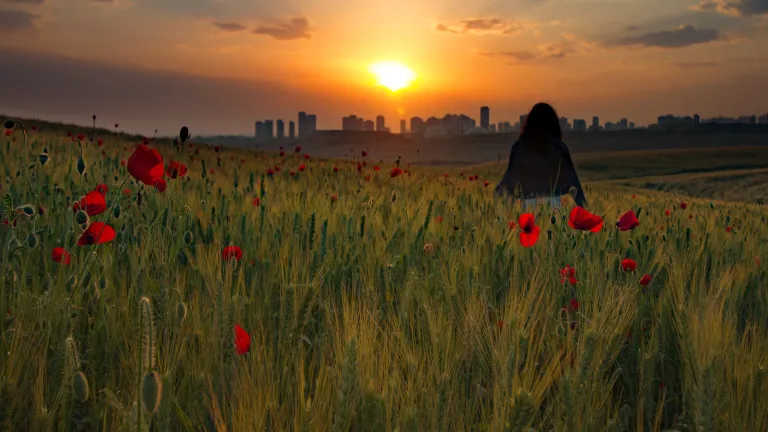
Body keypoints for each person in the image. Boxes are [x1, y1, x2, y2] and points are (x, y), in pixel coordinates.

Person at [495, 102, 587, 209]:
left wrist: (496, 203)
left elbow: (510, 181)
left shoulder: (519, 147)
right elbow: (572, 182)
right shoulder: (559, 147)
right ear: (554, 124)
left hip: (528, 208)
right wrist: (586, 211)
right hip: (555, 207)